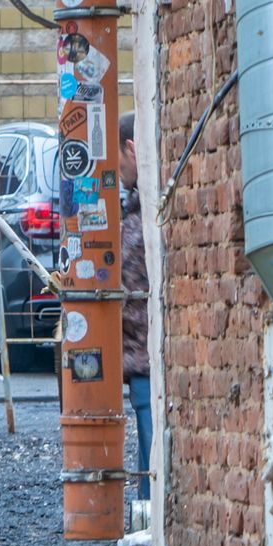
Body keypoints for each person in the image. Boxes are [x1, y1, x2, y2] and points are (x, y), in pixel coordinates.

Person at [119, 112, 152, 501]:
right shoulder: (137, 204)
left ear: (131, 147)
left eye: (119, 161)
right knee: (146, 457)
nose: (117, 170)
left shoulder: (144, 210)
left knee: (150, 459)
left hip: (143, 355)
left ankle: (147, 534)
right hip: (138, 355)